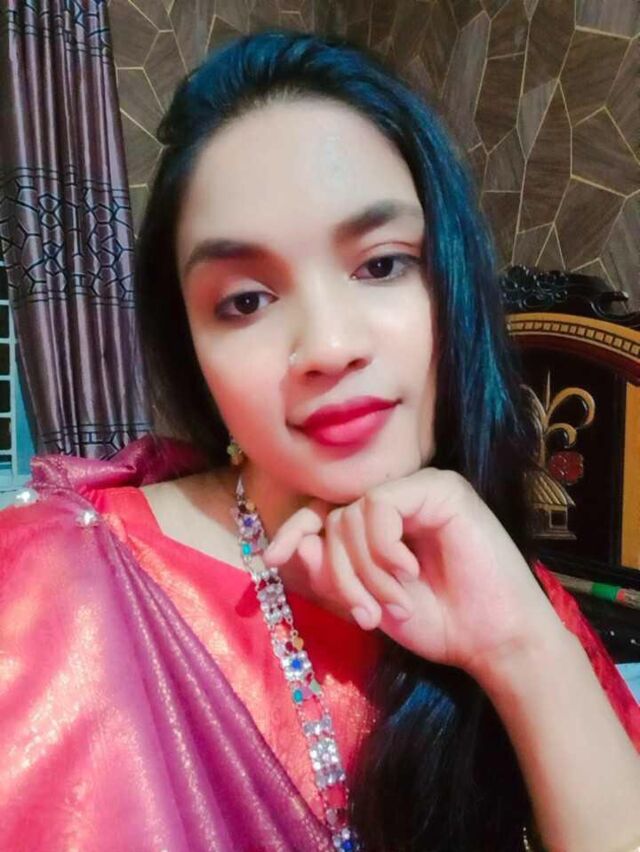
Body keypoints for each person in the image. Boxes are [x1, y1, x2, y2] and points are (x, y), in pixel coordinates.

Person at [1, 28, 639, 852]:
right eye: (246, 301)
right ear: (193, 350)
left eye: (381, 265)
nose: (330, 347)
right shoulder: (52, 590)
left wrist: (521, 651)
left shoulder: (514, 592)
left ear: (450, 281)